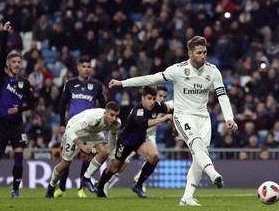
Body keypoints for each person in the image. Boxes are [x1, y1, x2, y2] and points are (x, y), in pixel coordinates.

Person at [108, 36, 238, 206]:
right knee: (197, 145)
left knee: (199, 157)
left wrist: (229, 118)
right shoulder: (177, 70)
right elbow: (150, 79)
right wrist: (123, 83)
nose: (203, 56)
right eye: (199, 53)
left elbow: (222, 96)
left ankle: (187, 197)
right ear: (189, 53)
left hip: (203, 118)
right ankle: (214, 174)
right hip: (183, 115)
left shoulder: (213, 71)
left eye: (205, 52)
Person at [95, 85, 173, 198]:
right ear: (143, 98)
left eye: (154, 99)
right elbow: (143, 123)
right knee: (115, 168)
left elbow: (170, 109)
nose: (152, 102)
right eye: (149, 98)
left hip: (140, 141)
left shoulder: (157, 105)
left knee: (155, 156)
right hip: (126, 142)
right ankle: (100, 186)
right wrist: (162, 119)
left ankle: (138, 185)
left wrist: (174, 122)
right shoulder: (138, 110)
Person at [0, 21, 35, 198]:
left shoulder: (25, 83)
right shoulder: (1, 77)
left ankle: (15, 190)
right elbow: (1, 55)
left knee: (19, 157)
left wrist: (20, 109)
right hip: (1, 124)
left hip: (17, 125)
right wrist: (5, 34)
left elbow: (32, 103)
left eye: (19, 61)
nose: (17, 64)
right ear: (8, 64)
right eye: (14, 62)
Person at [54, 56, 106, 198]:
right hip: (72, 127)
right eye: (84, 66)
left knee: (87, 157)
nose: (87, 69)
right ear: (78, 67)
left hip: (88, 128)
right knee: (65, 161)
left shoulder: (96, 85)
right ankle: (62, 189)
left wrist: (102, 124)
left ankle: (81, 189)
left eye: (89, 66)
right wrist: (62, 124)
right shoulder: (70, 83)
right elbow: (62, 104)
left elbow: (104, 104)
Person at [45, 101, 121, 198]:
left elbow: (113, 140)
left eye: (117, 116)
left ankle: (86, 178)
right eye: (112, 115)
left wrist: (112, 157)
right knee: (65, 164)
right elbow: (70, 131)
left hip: (92, 132)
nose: (114, 118)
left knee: (105, 152)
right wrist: (82, 146)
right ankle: (51, 187)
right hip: (75, 130)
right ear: (105, 113)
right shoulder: (92, 118)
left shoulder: (116, 124)